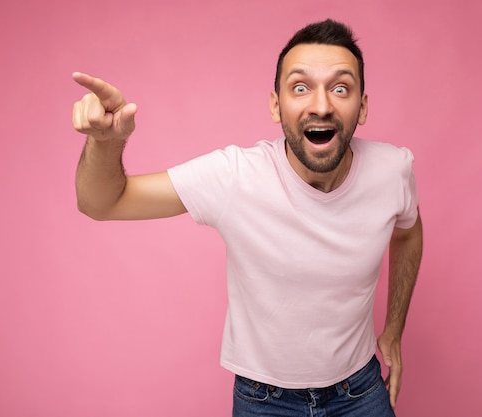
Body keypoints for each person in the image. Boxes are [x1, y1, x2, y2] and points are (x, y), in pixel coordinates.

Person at [72, 19, 422, 417]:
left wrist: (394, 328)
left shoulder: (393, 170)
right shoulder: (235, 176)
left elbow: (408, 233)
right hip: (265, 402)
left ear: (362, 106)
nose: (322, 105)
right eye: (301, 87)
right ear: (276, 105)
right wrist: (106, 142)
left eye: (340, 88)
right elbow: (101, 203)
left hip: (360, 391)